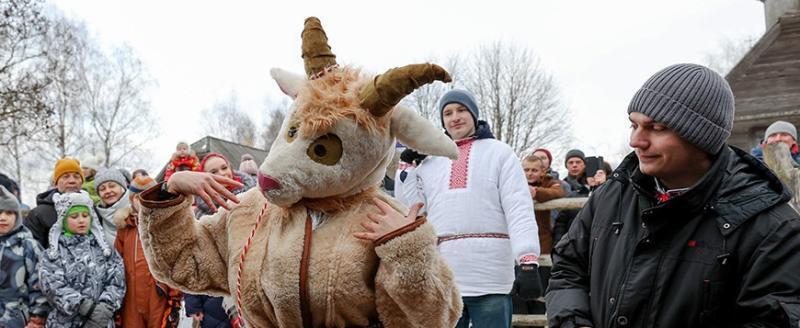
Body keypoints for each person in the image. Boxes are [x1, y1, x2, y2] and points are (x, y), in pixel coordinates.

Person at [546, 63, 800, 327]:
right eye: (633, 125)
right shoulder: (612, 196)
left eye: (656, 128)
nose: (636, 141)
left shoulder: (771, 228)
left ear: (702, 137)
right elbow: (568, 268)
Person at [397, 89, 541, 328]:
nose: (455, 117)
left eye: (461, 110)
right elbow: (413, 209)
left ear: (474, 114)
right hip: (446, 275)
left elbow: (519, 207)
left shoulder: (500, 153)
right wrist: (407, 167)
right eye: (448, 113)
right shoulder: (431, 161)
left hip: (490, 274)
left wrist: (527, 260)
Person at [38, 191, 125, 328]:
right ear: (63, 220)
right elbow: (52, 285)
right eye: (74, 216)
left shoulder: (105, 249)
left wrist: (104, 308)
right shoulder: (53, 253)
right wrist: (85, 306)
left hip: (101, 321)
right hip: (65, 322)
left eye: (85, 215)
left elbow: (117, 280)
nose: (81, 220)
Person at [114, 176, 182, 328]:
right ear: (132, 200)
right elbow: (116, 262)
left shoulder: (165, 227)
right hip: (130, 295)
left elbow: (176, 261)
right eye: (139, 197)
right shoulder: (125, 229)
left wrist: (174, 294)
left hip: (158, 293)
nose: (143, 201)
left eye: (148, 196)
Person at [0, 186, 49, 327]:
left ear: (17, 217)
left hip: (17, 321)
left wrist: (37, 318)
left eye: (9, 213)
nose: (3, 217)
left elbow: (40, 285)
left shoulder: (28, 246)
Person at [24, 157, 84, 248]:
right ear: (56, 183)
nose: (72, 181)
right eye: (65, 176)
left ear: (81, 182)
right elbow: (32, 251)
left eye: (76, 176)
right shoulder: (38, 214)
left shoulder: (92, 210)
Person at [521, 155, 566, 255]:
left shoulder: (548, 182)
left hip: (542, 237)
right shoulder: (515, 182)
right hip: (519, 234)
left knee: (543, 266)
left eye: (534, 170)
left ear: (543, 171)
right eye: (526, 170)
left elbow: (558, 192)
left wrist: (536, 192)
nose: (529, 174)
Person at [94, 168, 130, 245]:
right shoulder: (97, 219)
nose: (108, 191)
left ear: (122, 188)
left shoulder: (137, 210)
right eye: (102, 189)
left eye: (112, 186)